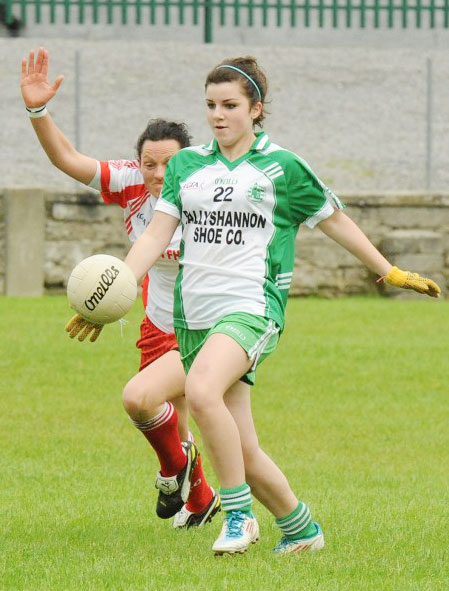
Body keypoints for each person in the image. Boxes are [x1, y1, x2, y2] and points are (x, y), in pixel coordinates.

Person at [121, 56, 441, 555]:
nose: (218, 115)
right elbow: (155, 237)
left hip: (252, 308)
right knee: (240, 449)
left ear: (256, 109)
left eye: (230, 105)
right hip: (195, 316)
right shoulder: (187, 166)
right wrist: (115, 288)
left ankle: (239, 516)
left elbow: (334, 220)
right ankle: (301, 530)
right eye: (211, 105)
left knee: (202, 391)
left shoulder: (282, 167)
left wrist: (388, 270)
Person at [20, 47, 221, 528]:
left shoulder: (212, 188)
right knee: (175, 418)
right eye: (149, 164)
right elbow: (68, 159)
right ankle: (199, 499)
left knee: (144, 401)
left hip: (210, 323)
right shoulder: (131, 183)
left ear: (188, 161)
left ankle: (176, 471)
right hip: (157, 321)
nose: (156, 175)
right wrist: (37, 110)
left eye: (167, 165)